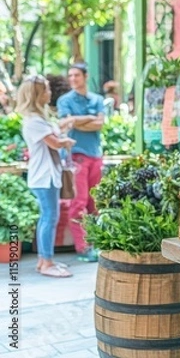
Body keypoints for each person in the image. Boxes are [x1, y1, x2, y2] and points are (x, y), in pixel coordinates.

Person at [16, 75, 76, 278]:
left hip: (47, 175)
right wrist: (66, 141)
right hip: (44, 177)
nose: (50, 93)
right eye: (47, 89)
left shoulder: (39, 118)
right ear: (37, 94)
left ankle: (44, 260)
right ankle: (47, 262)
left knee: (47, 217)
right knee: (50, 217)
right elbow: (55, 143)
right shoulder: (34, 121)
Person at [57, 63, 105, 262]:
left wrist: (76, 120)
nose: (73, 79)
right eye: (70, 75)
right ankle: (83, 247)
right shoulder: (64, 100)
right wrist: (88, 119)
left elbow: (100, 123)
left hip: (96, 155)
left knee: (95, 203)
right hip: (76, 157)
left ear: (85, 76)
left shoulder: (98, 99)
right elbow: (64, 124)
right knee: (78, 203)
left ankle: (95, 242)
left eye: (76, 75)